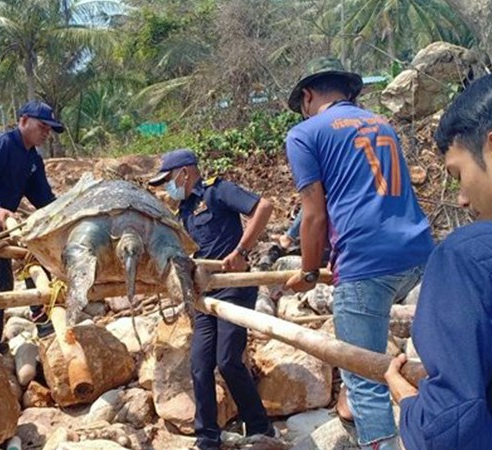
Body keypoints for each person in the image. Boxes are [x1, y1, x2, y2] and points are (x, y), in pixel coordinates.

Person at [283, 57, 434, 450]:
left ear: (308, 95)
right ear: (349, 93)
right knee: (437, 365)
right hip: (420, 254)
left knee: (365, 377)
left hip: (365, 262)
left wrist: (310, 272)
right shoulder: (382, 124)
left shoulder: (304, 133)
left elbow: (315, 214)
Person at [384, 74, 492, 450]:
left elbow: (452, 427)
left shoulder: (468, 257)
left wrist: (411, 405)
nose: (461, 198)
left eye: (458, 174)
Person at [148, 148, 276, 449]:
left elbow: (264, 207)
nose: (168, 187)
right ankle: (207, 437)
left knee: (229, 359)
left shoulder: (218, 192)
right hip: (204, 294)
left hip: (233, 287)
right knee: (200, 364)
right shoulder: (182, 213)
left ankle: (260, 427)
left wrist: (242, 252)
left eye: (168, 179)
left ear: (184, 173)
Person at [0, 100, 64, 351]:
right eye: (42, 126)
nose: (45, 132)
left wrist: (64, 212)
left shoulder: (32, 159)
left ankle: (44, 323)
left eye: (48, 129)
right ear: (23, 121)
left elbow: (42, 197)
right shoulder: (1, 144)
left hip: (7, 220)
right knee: (2, 279)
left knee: (35, 257)